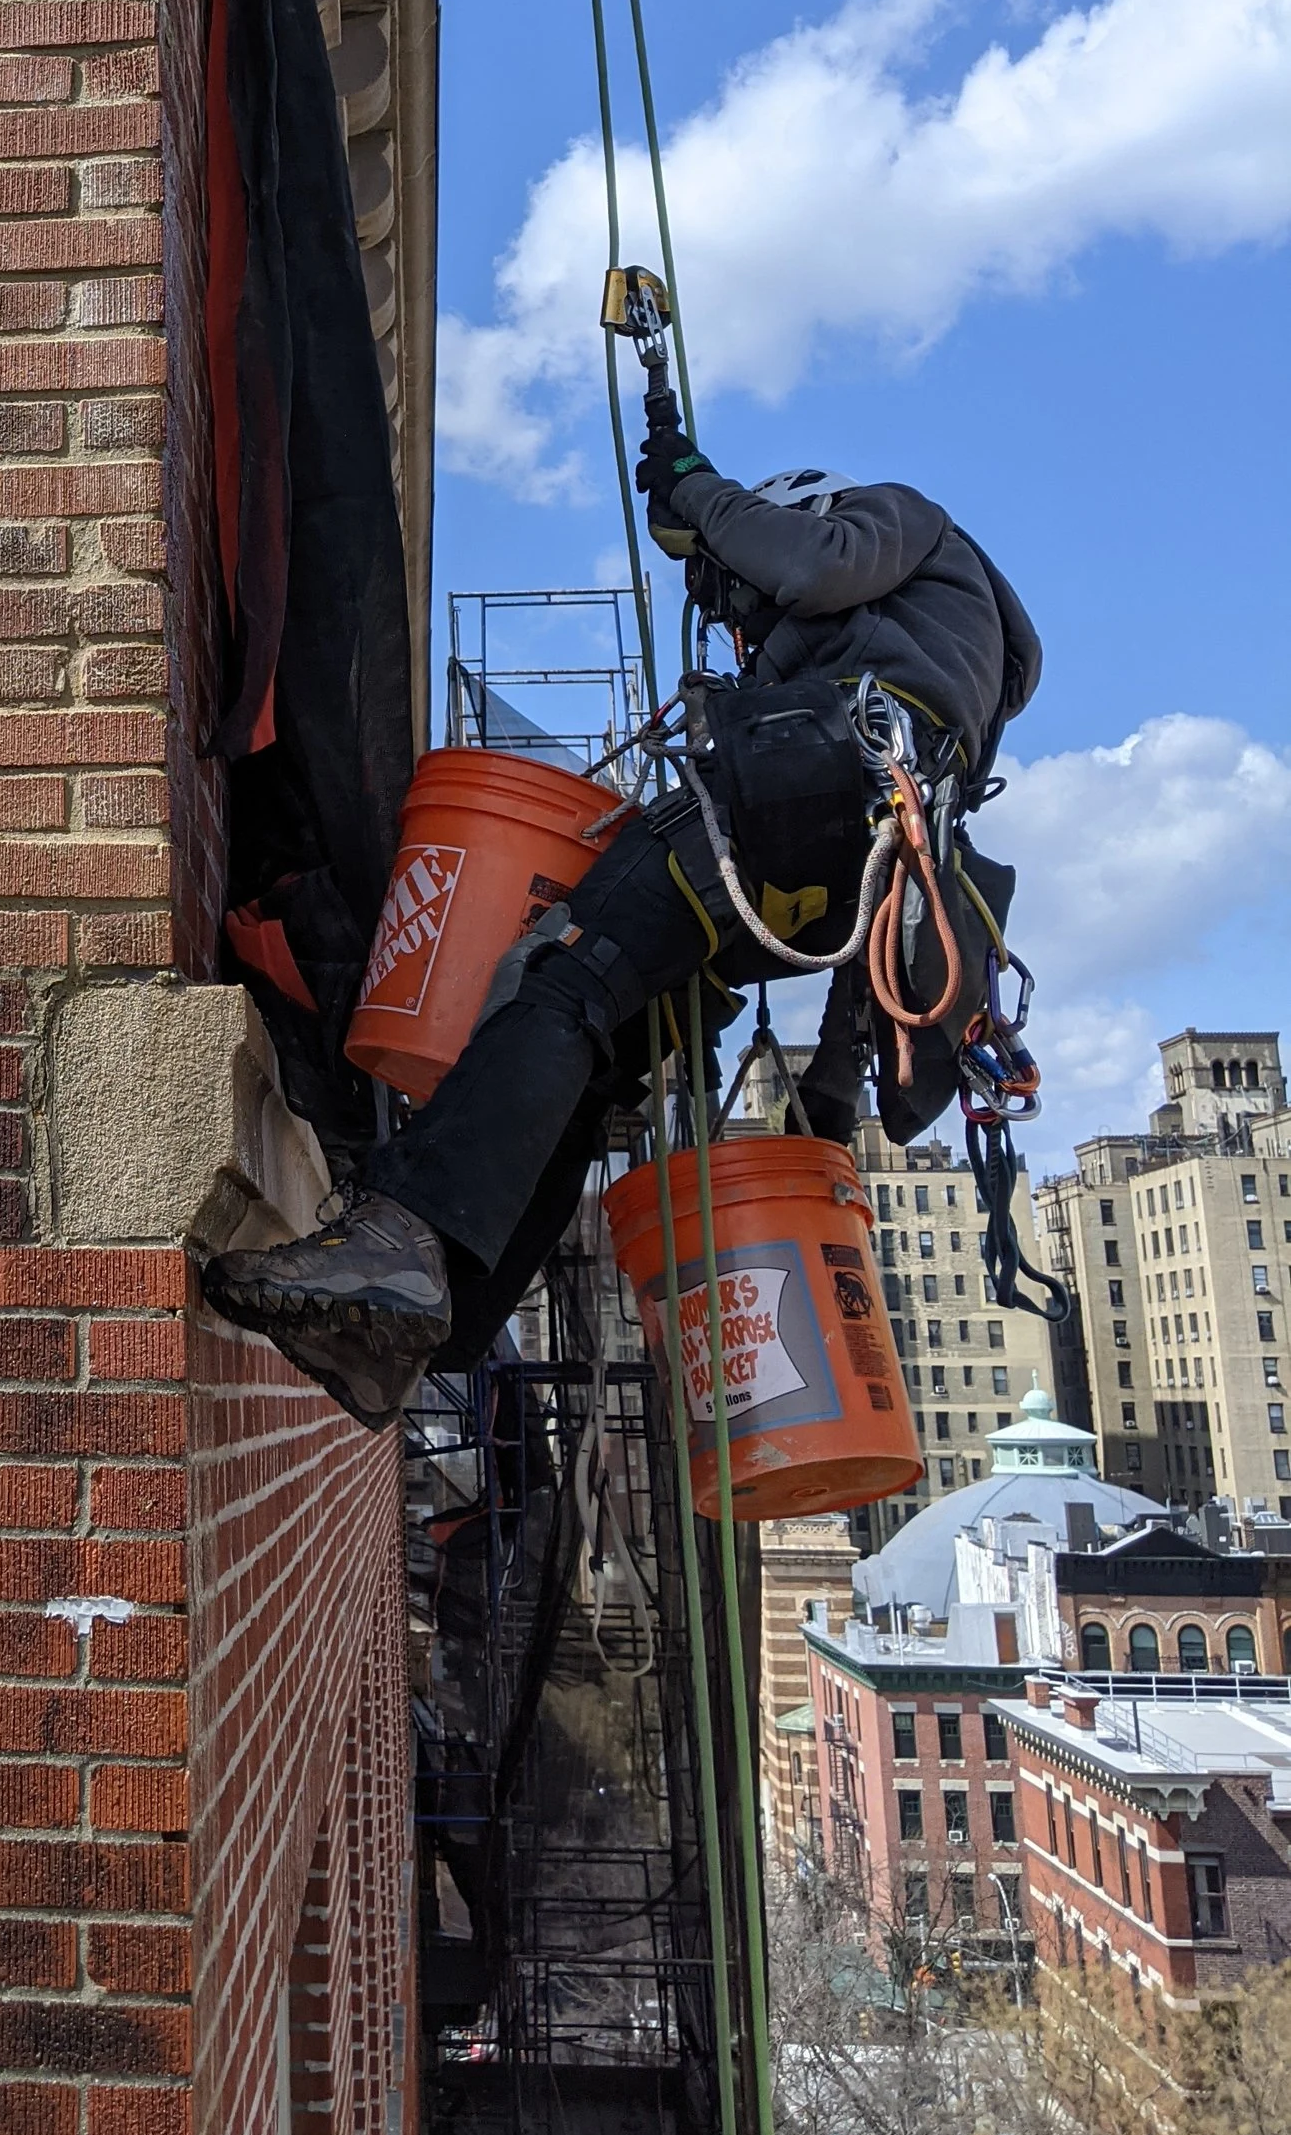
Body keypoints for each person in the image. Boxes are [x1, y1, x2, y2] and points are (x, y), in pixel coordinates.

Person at [199, 422, 1042, 1428]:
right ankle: (428, 1327)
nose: (743, 630)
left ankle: (399, 1244)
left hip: (793, 788)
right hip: (817, 863)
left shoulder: (898, 521)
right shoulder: (942, 708)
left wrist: (697, 493)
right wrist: (827, 1088)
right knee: (594, 1059)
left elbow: (810, 564)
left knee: (563, 973)